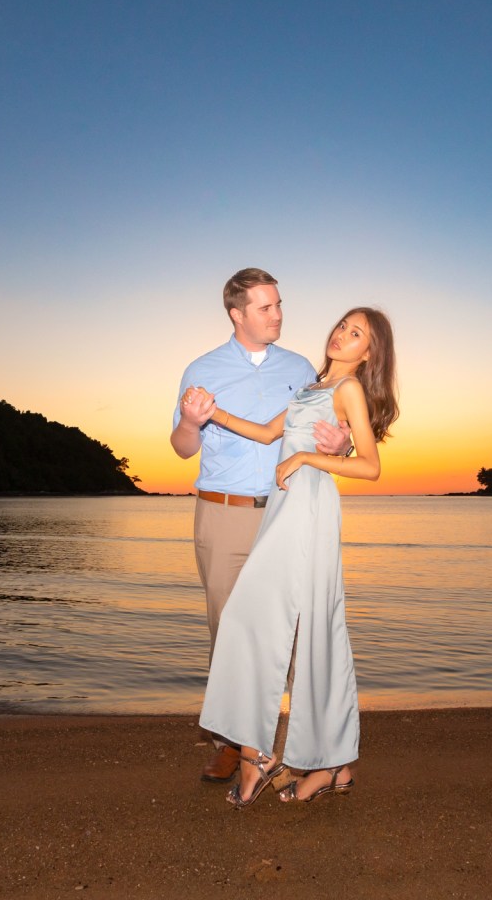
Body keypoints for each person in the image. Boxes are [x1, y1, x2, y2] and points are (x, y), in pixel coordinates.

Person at [189, 306, 398, 807]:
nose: (342, 335)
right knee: (265, 621)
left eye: (356, 335)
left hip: (307, 509)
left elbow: (370, 467)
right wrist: (208, 411)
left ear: (369, 353)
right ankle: (319, 763)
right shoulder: (313, 385)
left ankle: (303, 761)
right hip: (286, 508)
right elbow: (265, 433)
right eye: (343, 326)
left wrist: (307, 456)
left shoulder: (349, 390)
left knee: (303, 628)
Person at [171, 268, 350, 784]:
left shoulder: (300, 369)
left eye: (279, 305)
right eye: (266, 307)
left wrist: (343, 447)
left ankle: (303, 745)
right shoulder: (201, 369)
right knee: (228, 632)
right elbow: (184, 446)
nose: (278, 315)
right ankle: (234, 745)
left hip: (286, 512)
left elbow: (330, 435)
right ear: (237, 314)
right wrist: (189, 421)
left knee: (291, 632)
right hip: (221, 514)